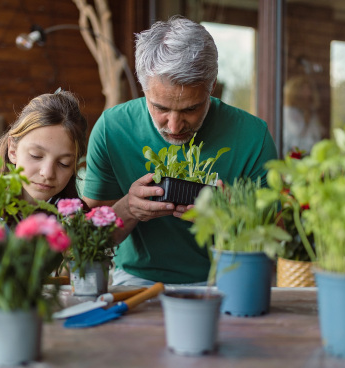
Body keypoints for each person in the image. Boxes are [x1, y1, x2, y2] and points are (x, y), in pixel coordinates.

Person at [82, 16, 278, 286]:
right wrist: (129, 208)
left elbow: (276, 237)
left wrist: (232, 213)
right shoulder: (112, 129)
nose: (174, 126)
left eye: (190, 108)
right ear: (143, 87)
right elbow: (89, 238)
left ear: (212, 86)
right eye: (160, 108)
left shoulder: (253, 136)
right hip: (137, 280)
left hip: (227, 279)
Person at [0, 89, 88, 208]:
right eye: (36, 156)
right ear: (13, 150)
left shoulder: (78, 217)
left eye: (64, 163)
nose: (47, 173)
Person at [282, 76, 324, 154]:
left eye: (309, 88)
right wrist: (306, 119)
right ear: (295, 91)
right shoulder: (289, 111)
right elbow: (297, 131)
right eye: (304, 89)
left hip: (310, 152)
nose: (308, 92)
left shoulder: (310, 110)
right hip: (294, 154)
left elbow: (317, 133)